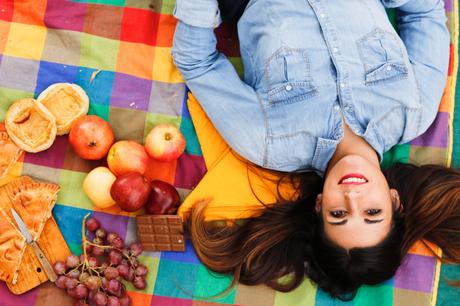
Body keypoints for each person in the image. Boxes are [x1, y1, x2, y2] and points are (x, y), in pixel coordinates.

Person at [171, 0, 459, 299]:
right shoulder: (414, 111)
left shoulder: (268, 142)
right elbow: (424, 12)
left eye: (338, 213)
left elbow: (196, 62)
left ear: (319, 205)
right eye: (372, 212)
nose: (353, 197)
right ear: (395, 201)